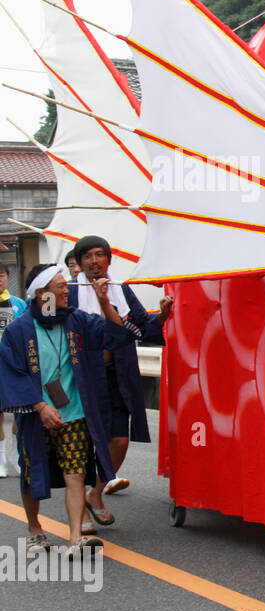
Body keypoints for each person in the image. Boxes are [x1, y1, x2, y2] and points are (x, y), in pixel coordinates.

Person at [0, 265, 130, 554]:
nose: (66, 291)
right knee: (31, 475)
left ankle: (75, 538)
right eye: (60, 286)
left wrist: (104, 301)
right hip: (36, 417)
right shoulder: (19, 331)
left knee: (76, 475)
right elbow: (13, 373)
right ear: (42, 294)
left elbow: (116, 336)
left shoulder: (77, 321)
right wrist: (40, 405)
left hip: (74, 415)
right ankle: (35, 528)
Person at [72, 235, 172, 526]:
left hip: (119, 376)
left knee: (119, 440)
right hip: (84, 379)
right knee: (83, 443)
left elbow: (143, 328)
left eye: (100, 255)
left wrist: (163, 316)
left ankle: (96, 492)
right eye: (88, 256)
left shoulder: (121, 290)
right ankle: (78, 516)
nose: (95, 261)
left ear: (109, 260)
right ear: (79, 264)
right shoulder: (71, 293)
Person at [0, 264, 28, 478]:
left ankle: (16, 456)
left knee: (20, 415)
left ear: (7, 278)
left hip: (16, 366)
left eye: (1, 276)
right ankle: (0, 461)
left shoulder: (19, 304)